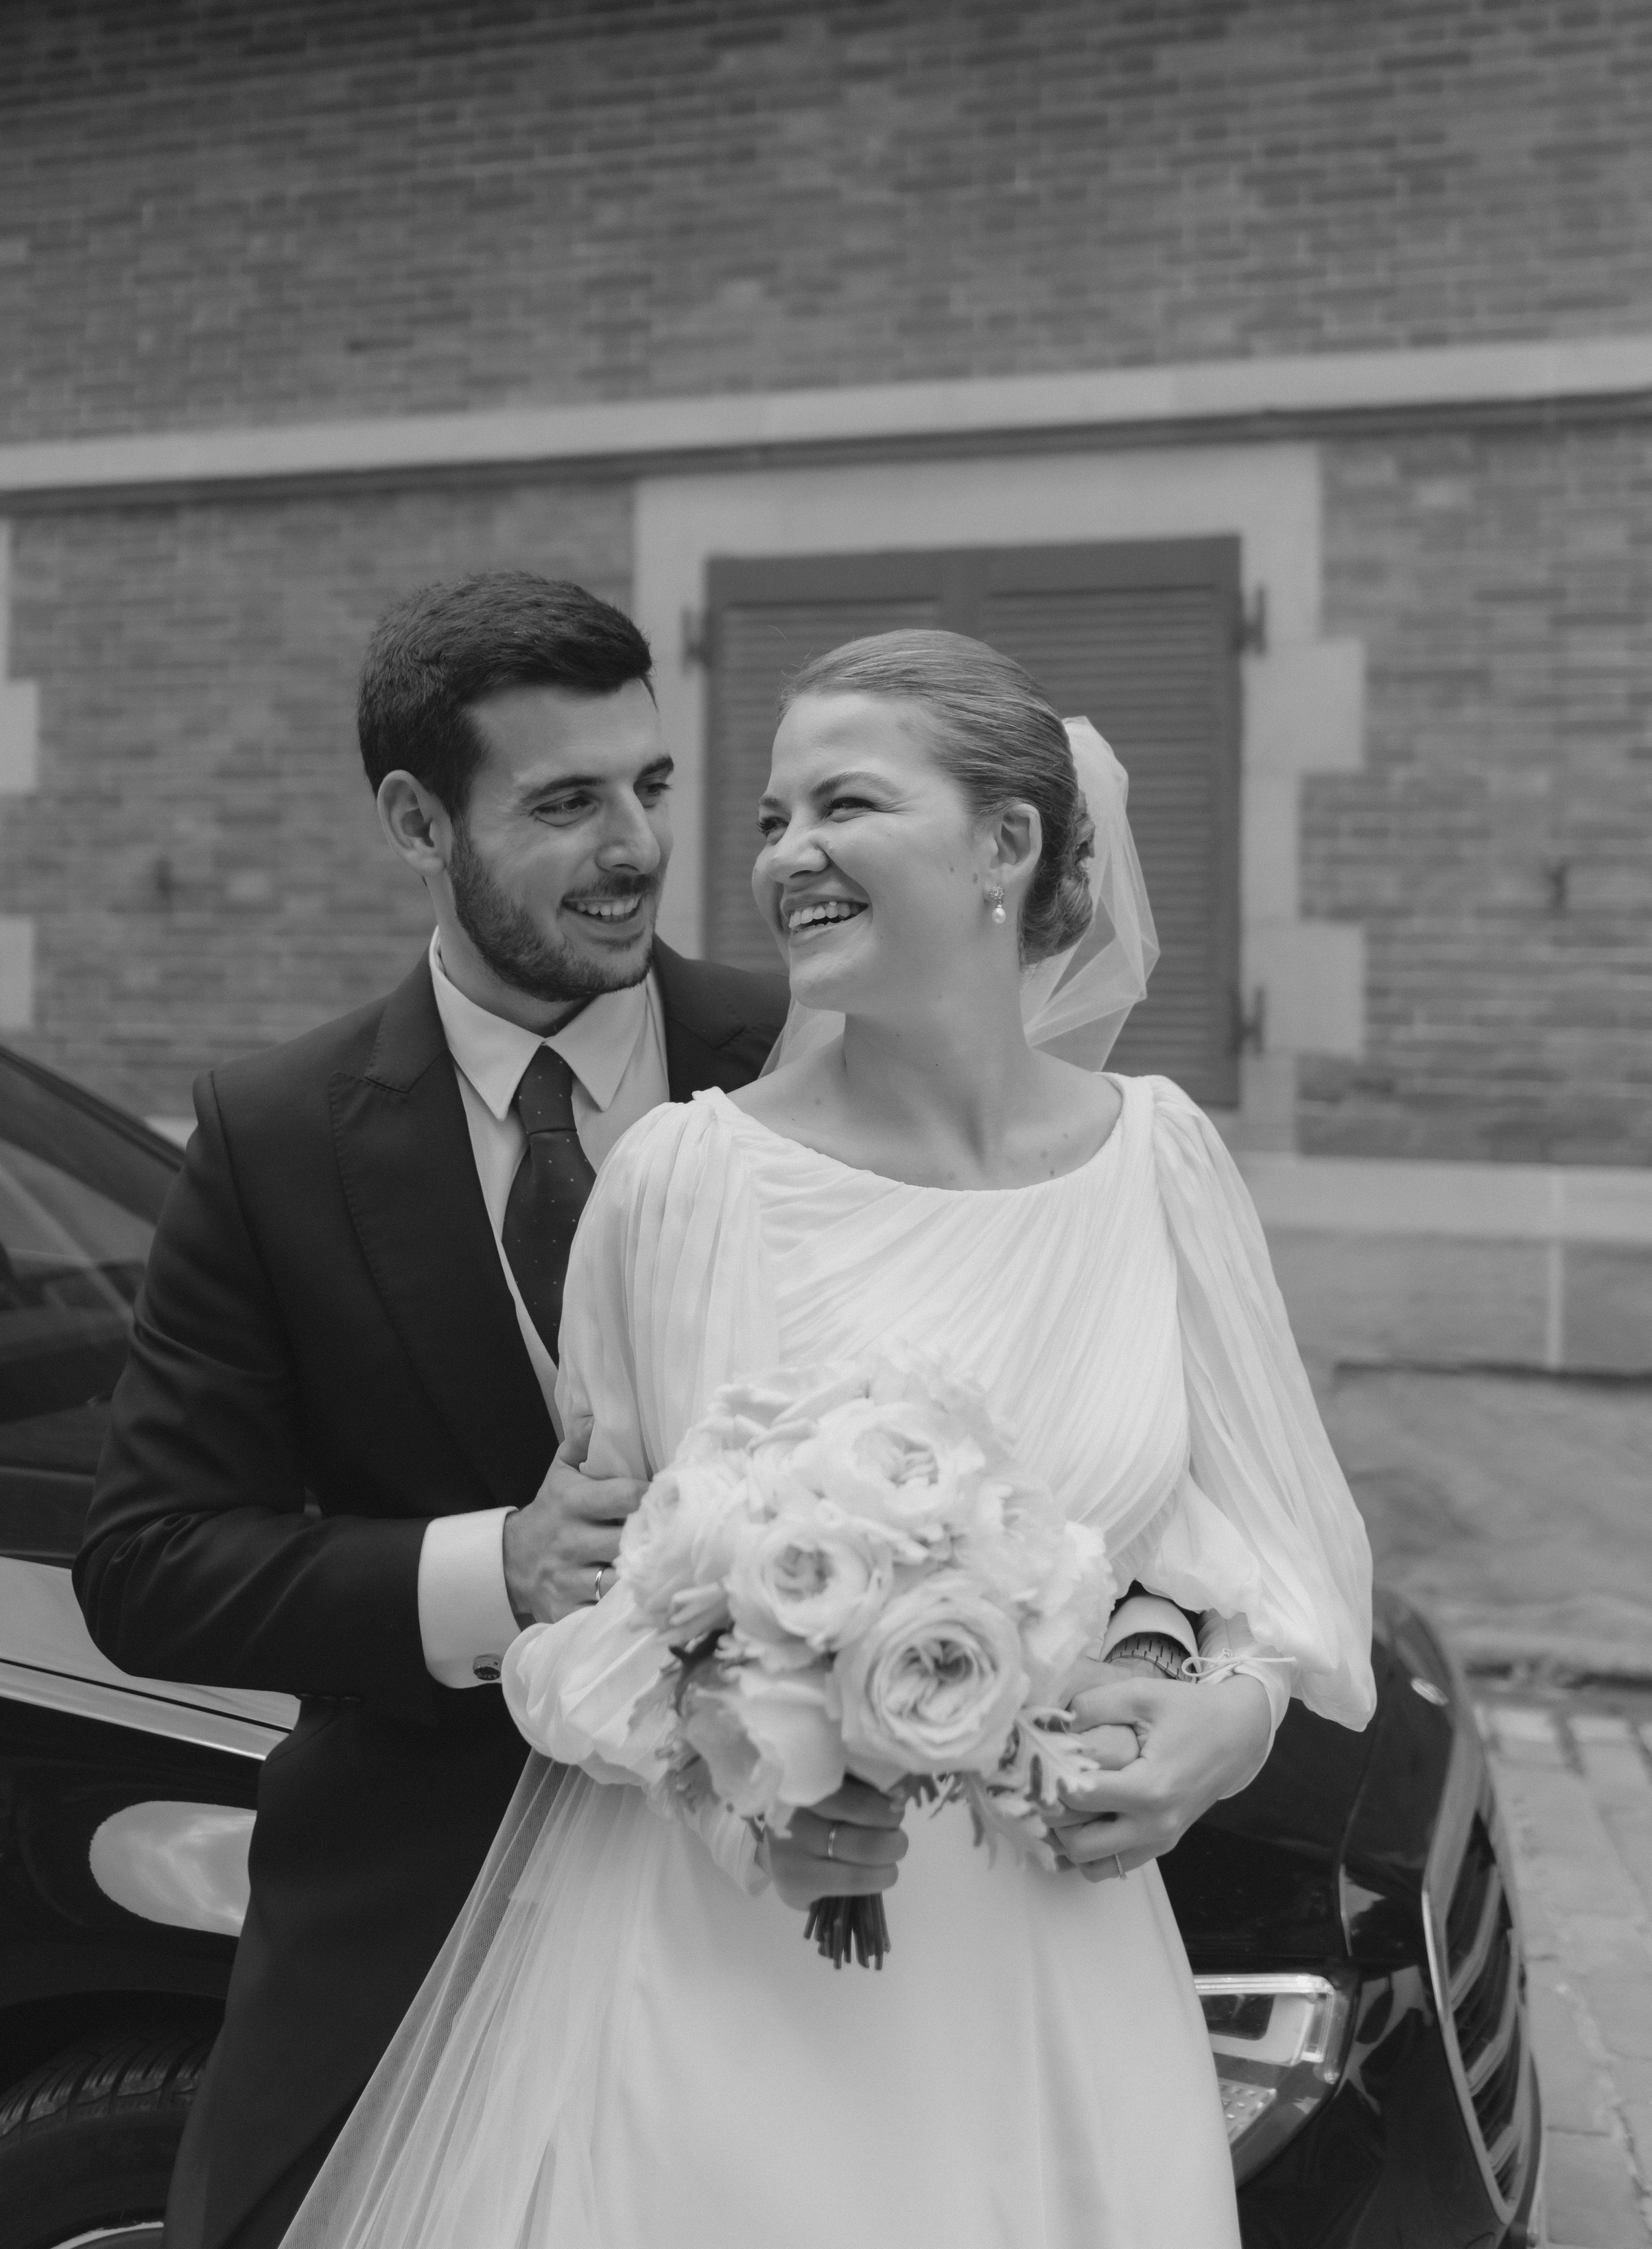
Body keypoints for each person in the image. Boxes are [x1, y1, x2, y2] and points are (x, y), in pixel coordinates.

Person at [281, 626, 1376, 2249]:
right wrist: (750, 1796)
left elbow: (1264, 1549)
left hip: (1052, 1981)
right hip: (728, 1999)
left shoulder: (1161, 1164)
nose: (784, 855)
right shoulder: (684, 1181)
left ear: (1006, 843)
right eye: (774, 817)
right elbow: (588, 1625)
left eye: (843, 806)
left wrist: (1223, 1720)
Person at [73, 572, 788, 2249]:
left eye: (650, 786)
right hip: (409, 1921)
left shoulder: (802, 1064)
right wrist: (497, 1571)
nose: (632, 847)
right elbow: (149, 1561)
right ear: (416, 820)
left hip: (771, 1926)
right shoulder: (272, 1135)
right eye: (562, 804)